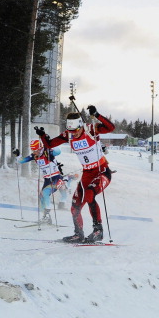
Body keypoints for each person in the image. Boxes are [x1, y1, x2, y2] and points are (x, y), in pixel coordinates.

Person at [37, 104, 116, 243]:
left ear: (81, 126)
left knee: (90, 194)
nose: (74, 134)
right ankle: (78, 234)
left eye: (76, 131)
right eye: (71, 131)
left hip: (101, 171)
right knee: (75, 207)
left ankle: (98, 231)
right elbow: (49, 145)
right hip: (86, 174)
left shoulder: (91, 129)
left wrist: (97, 115)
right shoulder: (69, 134)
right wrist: (43, 136)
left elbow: (111, 128)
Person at [14, 140, 63, 224]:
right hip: (47, 180)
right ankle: (46, 217)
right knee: (41, 196)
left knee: (45, 192)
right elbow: (22, 161)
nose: (34, 152)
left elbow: (58, 151)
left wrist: (50, 145)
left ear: (40, 148)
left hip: (56, 178)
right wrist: (18, 155)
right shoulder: (35, 156)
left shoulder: (47, 152)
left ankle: (47, 215)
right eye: (33, 150)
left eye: (36, 150)